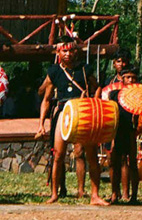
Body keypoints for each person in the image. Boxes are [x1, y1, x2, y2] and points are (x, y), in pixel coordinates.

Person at [35, 38, 107, 205]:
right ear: (59, 53)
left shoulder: (85, 69)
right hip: (62, 111)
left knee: (90, 154)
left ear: (76, 52)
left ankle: (95, 195)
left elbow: (97, 88)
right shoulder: (53, 71)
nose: (67, 54)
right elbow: (46, 99)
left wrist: (93, 103)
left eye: (71, 51)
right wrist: (41, 124)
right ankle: (54, 194)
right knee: (58, 154)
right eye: (64, 51)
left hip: (82, 112)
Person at [108, 66, 142, 203]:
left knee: (133, 163)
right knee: (115, 162)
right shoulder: (114, 94)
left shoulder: (140, 95)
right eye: (128, 77)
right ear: (122, 79)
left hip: (131, 131)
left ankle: (133, 196)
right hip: (117, 130)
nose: (130, 80)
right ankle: (114, 194)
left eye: (133, 78)